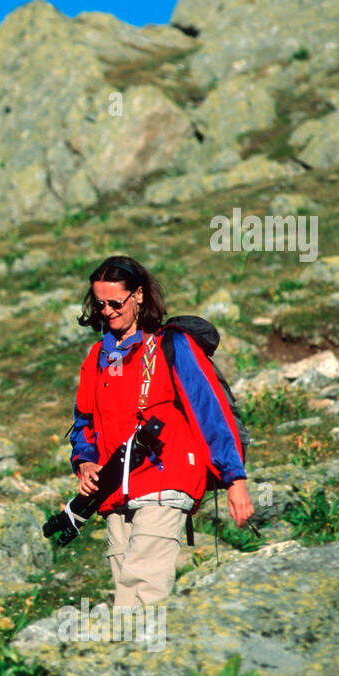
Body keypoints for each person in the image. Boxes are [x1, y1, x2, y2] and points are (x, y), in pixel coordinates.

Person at [67, 256, 253, 607]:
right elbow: (83, 423)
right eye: (99, 304)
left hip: (167, 480)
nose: (106, 312)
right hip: (113, 492)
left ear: (137, 296)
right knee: (125, 586)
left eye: (115, 303)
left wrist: (235, 479)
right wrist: (85, 462)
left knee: (142, 586)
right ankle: (139, 655)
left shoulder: (175, 346)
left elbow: (211, 412)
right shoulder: (96, 358)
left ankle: (135, 655)